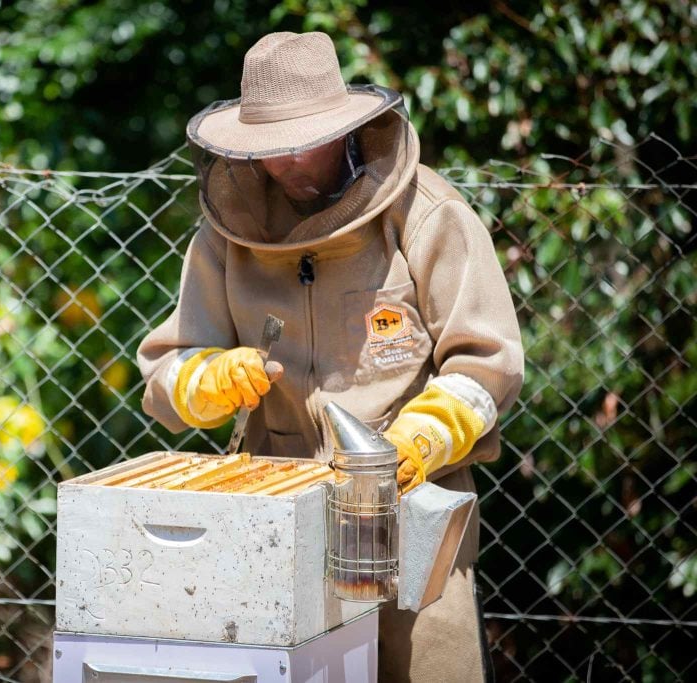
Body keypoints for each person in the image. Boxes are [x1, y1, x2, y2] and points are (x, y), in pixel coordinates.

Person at [136, 31, 524, 682]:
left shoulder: (428, 214)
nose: (284, 163)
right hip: (278, 530)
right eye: (268, 151)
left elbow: (487, 364)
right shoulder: (225, 235)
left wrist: (425, 435)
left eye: (300, 143)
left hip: (415, 523)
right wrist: (208, 379)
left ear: (346, 130)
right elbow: (165, 371)